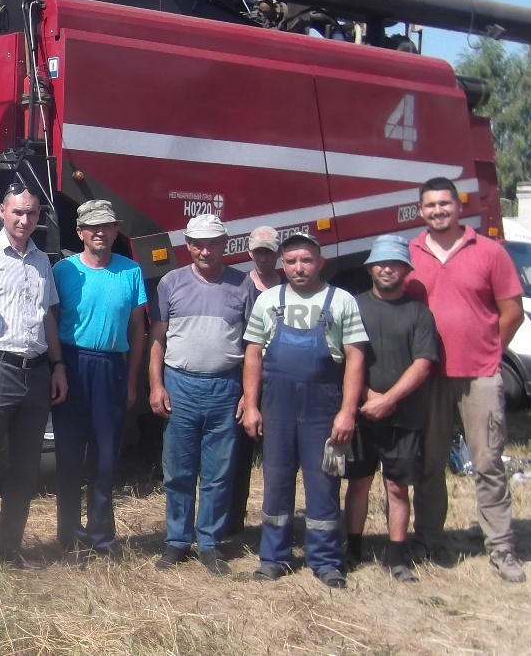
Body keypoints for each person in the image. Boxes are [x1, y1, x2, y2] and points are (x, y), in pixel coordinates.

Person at [409, 177, 527, 583]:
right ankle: (427, 540)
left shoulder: (490, 252)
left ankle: (501, 547)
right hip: (428, 377)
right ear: (420, 210)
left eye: (445, 203)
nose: (438, 210)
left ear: (458, 206)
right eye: (430, 205)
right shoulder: (411, 254)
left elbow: (512, 311)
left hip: (479, 376)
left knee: (489, 463)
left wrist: (492, 352)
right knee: (429, 463)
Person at [240, 233, 367, 589]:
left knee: (323, 481)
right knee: (276, 481)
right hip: (277, 405)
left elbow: (355, 357)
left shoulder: (341, 300)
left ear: (320, 262)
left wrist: (347, 412)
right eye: (292, 261)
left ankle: (326, 561)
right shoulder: (268, 300)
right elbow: (253, 354)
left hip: (323, 406)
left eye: (306, 260)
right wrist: (251, 405)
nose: (299, 267)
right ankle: (273, 558)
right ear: (283, 264)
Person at [0, 183, 67, 566]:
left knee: (24, 468)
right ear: (1, 211)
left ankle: (8, 550)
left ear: (39, 217)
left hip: (36, 373)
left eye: (32, 213)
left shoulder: (42, 261)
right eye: (17, 212)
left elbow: (48, 319)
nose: (24, 219)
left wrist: (58, 367)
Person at [148, 214, 254, 575]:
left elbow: (254, 346)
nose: (204, 250)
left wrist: (249, 394)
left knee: (218, 473)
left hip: (226, 387)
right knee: (177, 470)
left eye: (212, 243)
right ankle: (177, 541)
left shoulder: (244, 285)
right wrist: (156, 385)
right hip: (181, 385)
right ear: (187, 245)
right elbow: (157, 339)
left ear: (225, 243)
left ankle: (210, 543)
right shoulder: (170, 283)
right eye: (197, 243)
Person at [50, 200, 148, 560]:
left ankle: (102, 535)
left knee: (105, 457)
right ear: (80, 233)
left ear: (115, 230)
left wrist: (131, 380)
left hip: (111, 366)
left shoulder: (131, 271)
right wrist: (57, 365)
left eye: (107, 226)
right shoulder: (64, 271)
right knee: (70, 455)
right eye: (92, 227)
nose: (100, 233)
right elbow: (52, 320)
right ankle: (69, 536)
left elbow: (138, 329)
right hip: (73, 364)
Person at [342, 235, 439, 583]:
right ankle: (352, 550)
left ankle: (397, 557)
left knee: (397, 488)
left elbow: (423, 363)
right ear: (369, 268)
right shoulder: (353, 307)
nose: (387, 268)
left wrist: (388, 399)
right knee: (358, 483)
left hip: (404, 414)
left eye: (395, 263)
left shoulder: (419, 313)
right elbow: (344, 359)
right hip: (362, 413)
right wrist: (367, 396)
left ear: (406, 270)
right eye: (381, 263)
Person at [226, 224, 282, 536]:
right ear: (249, 252)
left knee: (275, 457)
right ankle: (232, 523)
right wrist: (246, 394)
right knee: (237, 457)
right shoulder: (238, 285)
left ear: (278, 255)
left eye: (269, 252)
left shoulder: (286, 290)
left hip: (275, 380)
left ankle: (274, 524)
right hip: (242, 381)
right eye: (258, 251)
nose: (263, 257)